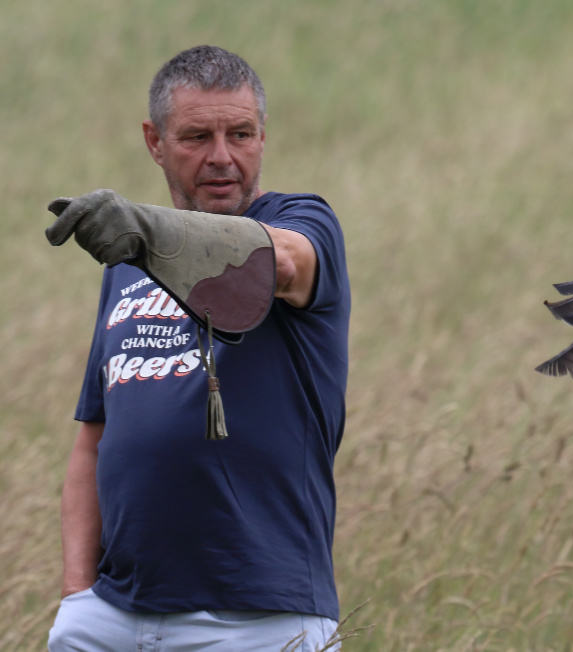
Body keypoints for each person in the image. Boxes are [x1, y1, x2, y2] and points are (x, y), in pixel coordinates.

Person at [46, 45, 349, 651]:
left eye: (240, 134)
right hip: (112, 615)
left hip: (259, 619)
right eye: (196, 137)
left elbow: (280, 262)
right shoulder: (127, 265)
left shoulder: (305, 222)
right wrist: (78, 598)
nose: (222, 157)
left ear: (263, 137)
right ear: (154, 142)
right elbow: (94, 439)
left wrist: (150, 229)